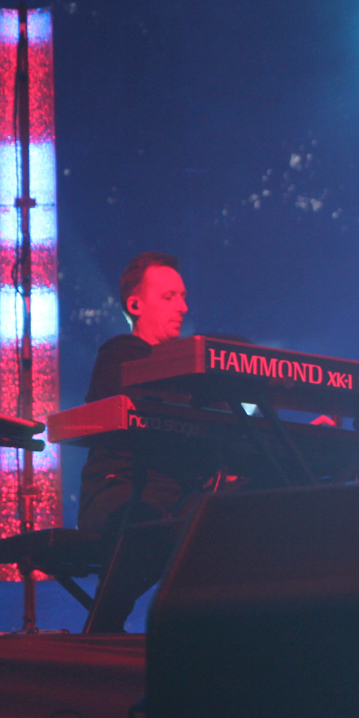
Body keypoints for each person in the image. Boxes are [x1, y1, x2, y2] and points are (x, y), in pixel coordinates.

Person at [78, 251, 215, 631]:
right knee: (174, 520)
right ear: (135, 305)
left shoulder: (193, 372)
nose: (183, 307)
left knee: (258, 497)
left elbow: (225, 429)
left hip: (181, 498)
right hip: (121, 493)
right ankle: (105, 629)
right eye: (169, 297)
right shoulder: (120, 355)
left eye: (183, 297)